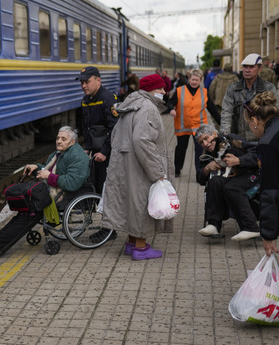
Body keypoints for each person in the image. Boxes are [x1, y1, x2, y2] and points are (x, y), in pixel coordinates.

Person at [0, 127, 90, 258]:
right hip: (53, 192)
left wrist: (49, 177)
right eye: (58, 138)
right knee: (25, 210)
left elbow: (72, 182)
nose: (58, 141)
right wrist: (37, 167)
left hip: (65, 196)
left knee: (30, 212)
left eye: (63, 139)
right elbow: (52, 170)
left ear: (72, 142)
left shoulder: (78, 157)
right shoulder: (62, 153)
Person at [102, 74, 174, 261]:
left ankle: (131, 243)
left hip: (126, 163)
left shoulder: (130, 104)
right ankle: (141, 249)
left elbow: (115, 135)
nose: (164, 92)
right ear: (152, 90)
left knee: (132, 203)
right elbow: (142, 140)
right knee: (142, 203)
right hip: (140, 165)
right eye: (160, 89)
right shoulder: (148, 107)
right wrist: (157, 171)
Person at [194, 124, 260, 241]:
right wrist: (207, 169)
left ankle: (250, 227)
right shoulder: (207, 154)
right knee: (214, 182)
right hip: (230, 177)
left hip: (249, 173)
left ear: (214, 134)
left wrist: (239, 160)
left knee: (231, 187)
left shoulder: (231, 140)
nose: (205, 144)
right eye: (201, 142)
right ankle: (213, 225)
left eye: (206, 139)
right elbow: (200, 179)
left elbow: (256, 152)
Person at [243, 92, 279, 256]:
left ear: (255, 121)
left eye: (249, 124)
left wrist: (268, 233)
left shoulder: (267, 143)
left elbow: (270, 191)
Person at [166, 69, 219, 177]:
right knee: (181, 149)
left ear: (200, 80)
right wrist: (171, 109)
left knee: (200, 150)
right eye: (192, 79)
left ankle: (199, 172)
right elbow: (170, 102)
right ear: (189, 79)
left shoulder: (204, 92)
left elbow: (212, 110)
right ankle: (177, 169)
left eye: (197, 80)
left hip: (199, 127)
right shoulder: (180, 90)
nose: (194, 82)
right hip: (183, 126)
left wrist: (222, 123)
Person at [75, 66, 118, 193]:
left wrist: (105, 151)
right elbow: (86, 126)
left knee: (106, 186)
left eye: (87, 82)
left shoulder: (108, 99)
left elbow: (115, 128)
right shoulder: (86, 100)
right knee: (95, 185)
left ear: (98, 80)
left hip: (108, 153)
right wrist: (87, 147)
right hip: (95, 152)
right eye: (82, 83)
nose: (83, 86)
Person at [221, 53, 278, 141]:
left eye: (251, 67)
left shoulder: (268, 88)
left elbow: (275, 114)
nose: (247, 70)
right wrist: (225, 134)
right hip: (238, 139)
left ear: (260, 69)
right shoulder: (233, 88)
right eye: (245, 66)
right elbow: (226, 112)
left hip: (260, 139)